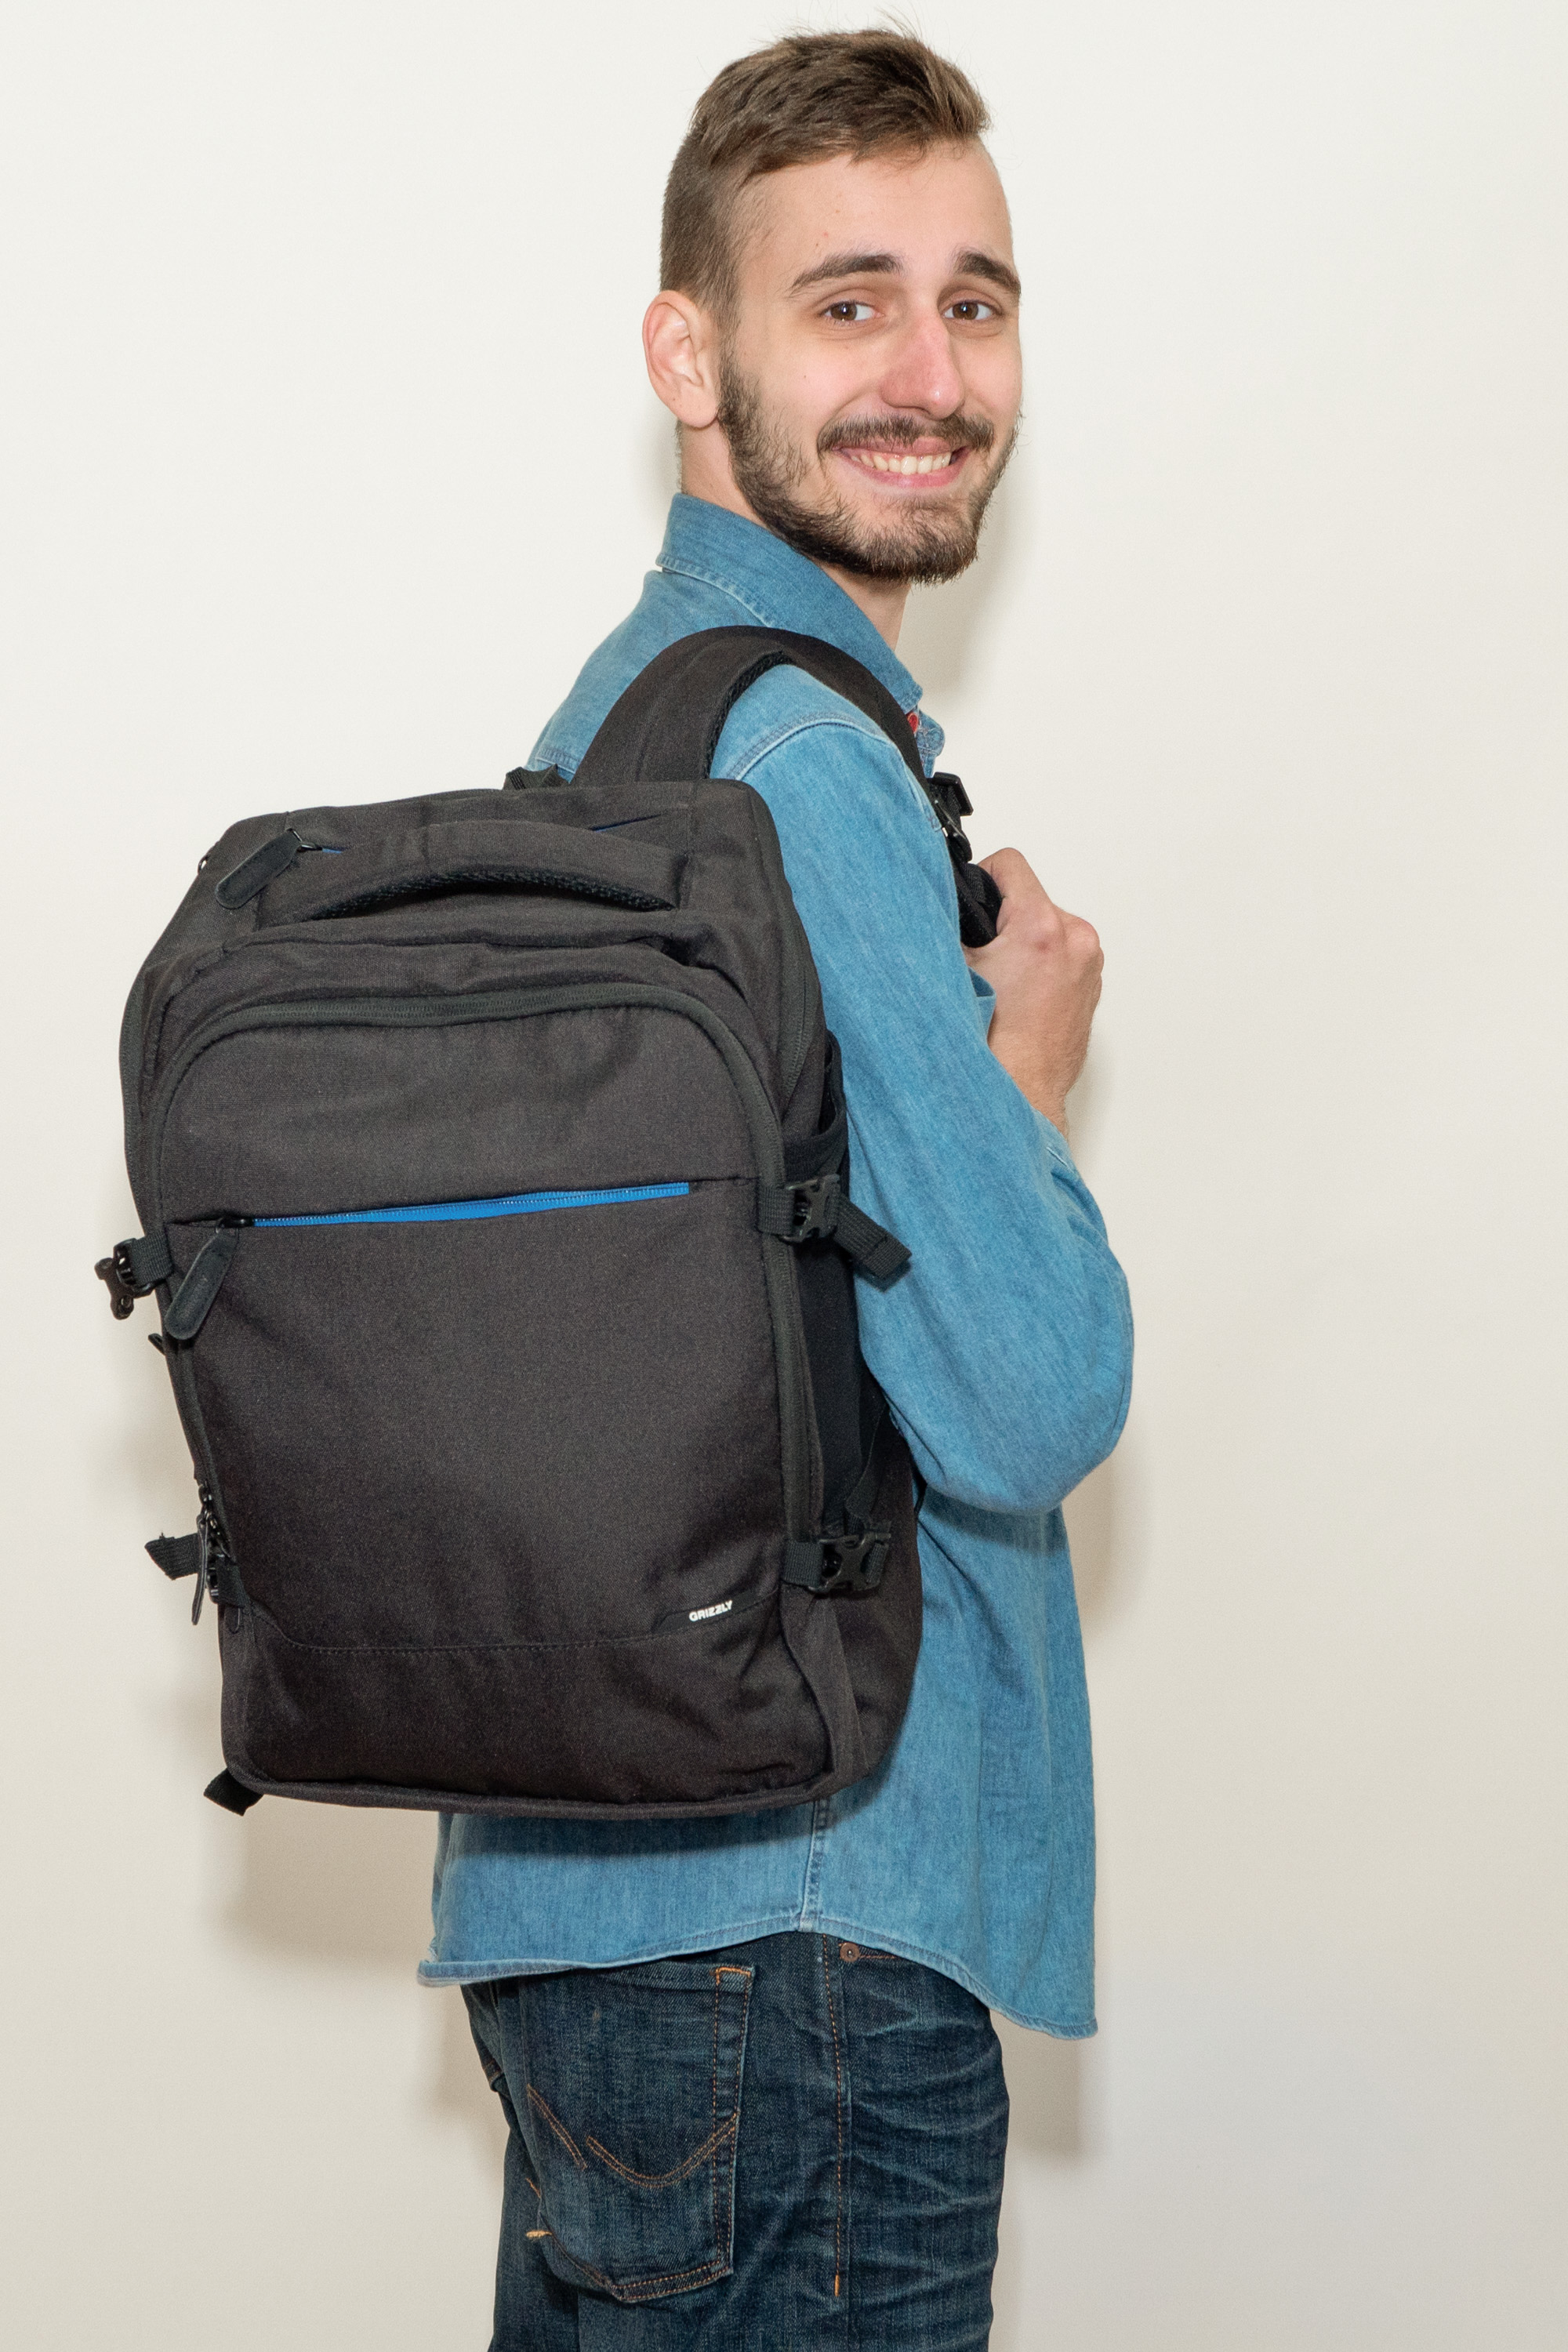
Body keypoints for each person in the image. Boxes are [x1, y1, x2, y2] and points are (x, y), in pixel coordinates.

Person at [423, 30, 1132, 2347]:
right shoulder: (804, 767)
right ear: (687, 354)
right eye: (848, 303)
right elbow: (1022, 1399)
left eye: (975, 300)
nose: (932, 373)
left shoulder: (622, 721)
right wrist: (1027, 1077)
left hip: (612, 1912)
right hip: (808, 1931)